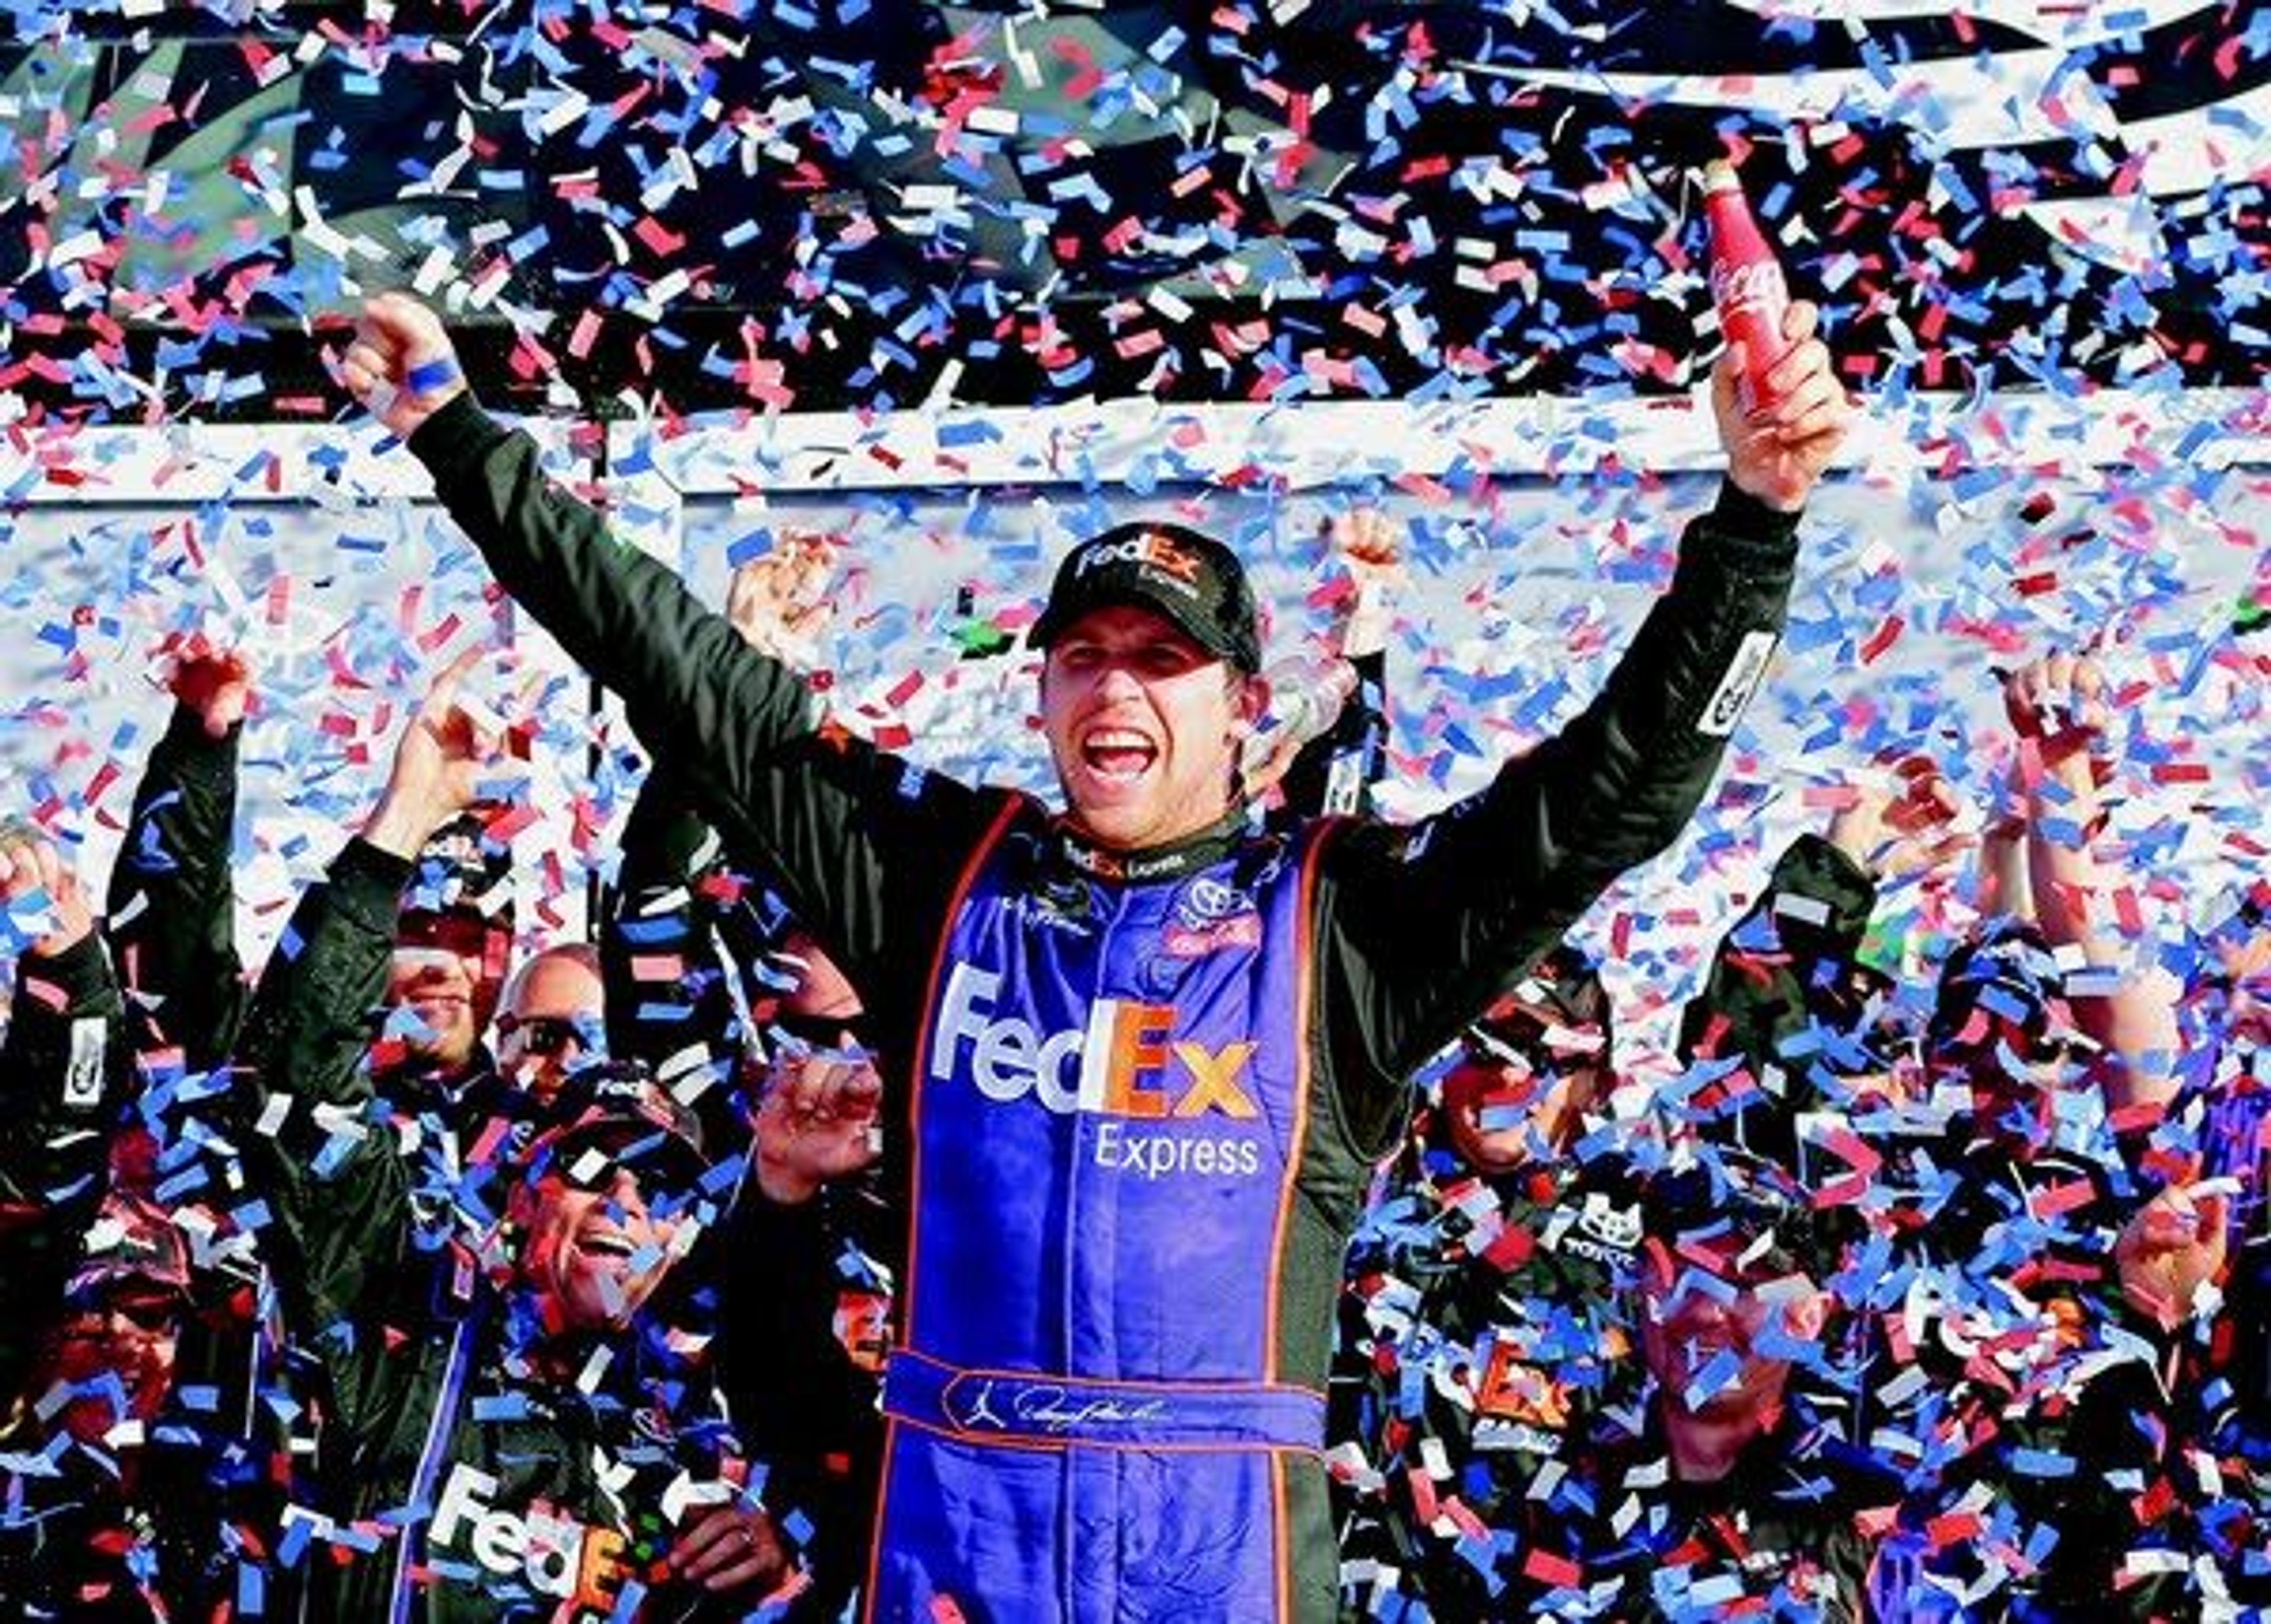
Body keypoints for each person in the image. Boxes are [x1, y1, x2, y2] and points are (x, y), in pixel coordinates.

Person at [342, 285, 1851, 1622]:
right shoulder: (941, 874)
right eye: (1085, 656)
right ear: (1046, 690)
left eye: (1163, 659)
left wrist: (1757, 521)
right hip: (958, 1536)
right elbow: (682, 675)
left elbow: (1617, 791)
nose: (1115, 688)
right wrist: (457, 431)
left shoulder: (1342, 916)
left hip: (1220, 1551)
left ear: (1244, 703)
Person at [232, 660, 790, 1621]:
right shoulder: (407, 1325)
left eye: (655, 1188)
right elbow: (300, 1086)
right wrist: (405, 818)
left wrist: (781, 1547)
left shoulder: (699, 1454)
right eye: (592, 1168)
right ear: (525, 1188)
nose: (623, 1203)